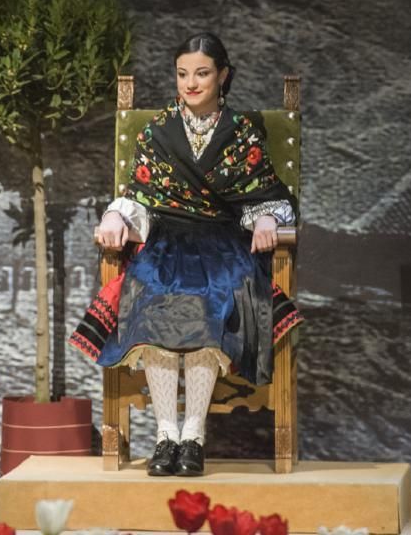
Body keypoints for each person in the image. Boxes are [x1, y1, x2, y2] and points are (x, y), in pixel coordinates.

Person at [71, 32, 302, 477]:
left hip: (222, 244)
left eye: (201, 73)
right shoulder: (157, 131)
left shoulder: (241, 133)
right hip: (166, 244)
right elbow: (137, 193)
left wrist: (269, 219)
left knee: (203, 307)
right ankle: (165, 436)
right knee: (153, 302)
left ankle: (192, 436)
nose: (190, 83)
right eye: (182, 74)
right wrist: (118, 216)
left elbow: (266, 194)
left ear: (223, 76)